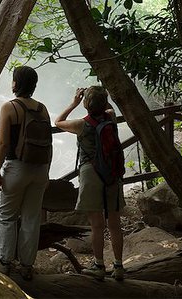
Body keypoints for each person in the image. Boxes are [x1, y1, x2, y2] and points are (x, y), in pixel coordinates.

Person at [54, 86, 126, 281]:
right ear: (105, 103)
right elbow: (107, 107)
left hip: (91, 173)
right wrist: (102, 98)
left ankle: (99, 265)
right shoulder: (110, 116)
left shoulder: (81, 124)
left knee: (96, 225)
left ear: (86, 104)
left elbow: (57, 121)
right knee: (115, 224)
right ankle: (119, 267)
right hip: (112, 172)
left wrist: (74, 103)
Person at [0, 66, 52, 281]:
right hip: (40, 169)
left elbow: (3, 143)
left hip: (16, 167)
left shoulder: (10, 107)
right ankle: (27, 265)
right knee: (31, 217)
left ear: (16, 84)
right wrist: (47, 172)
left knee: (7, 216)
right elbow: (49, 142)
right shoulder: (42, 109)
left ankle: (4, 262)